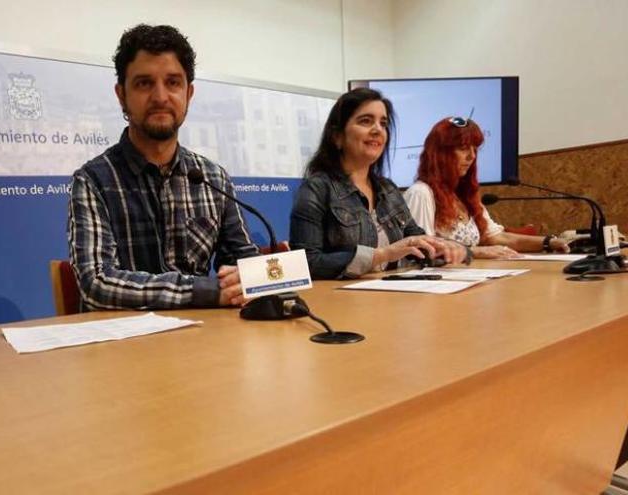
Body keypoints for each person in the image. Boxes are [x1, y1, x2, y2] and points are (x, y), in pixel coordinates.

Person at [68, 24, 258, 310]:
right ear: (121, 94)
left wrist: (248, 279)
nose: (160, 97)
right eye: (144, 83)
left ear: (189, 93)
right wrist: (204, 291)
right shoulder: (93, 180)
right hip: (122, 347)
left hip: (206, 340)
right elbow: (96, 283)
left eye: (173, 82)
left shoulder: (213, 178)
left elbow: (246, 263)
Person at [290, 88, 467, 279]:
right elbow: (307, 263)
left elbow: (418, 241)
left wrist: (451, 249)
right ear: (337, 136)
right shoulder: (317, 188)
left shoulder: (388, 189)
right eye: (366, 121)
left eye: (383, 124)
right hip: (344, 301)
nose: (377, 130)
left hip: (393, 296)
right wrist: (381, 255)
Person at [403, 117, 570, 258]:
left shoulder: (462, 196)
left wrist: (549, 242)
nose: (472, 156)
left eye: (475, 149)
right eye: (463, 148)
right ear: (440, 154)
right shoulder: (421, 194)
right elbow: (423, 252)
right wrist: (477, 252)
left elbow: (496, 237)